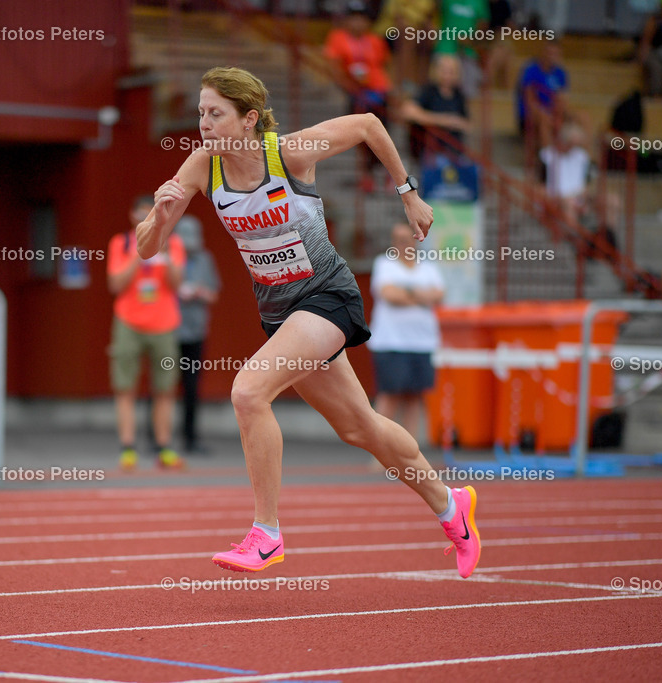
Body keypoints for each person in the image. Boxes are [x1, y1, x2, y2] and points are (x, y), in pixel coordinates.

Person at [138, 66, 481, 578]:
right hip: (281, 314)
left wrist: (407, 192)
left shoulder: (289, 152)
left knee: (248, 392)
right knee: (358, 426)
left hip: (328, 298)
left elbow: (367, 123)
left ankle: (266, 534)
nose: (204, 123)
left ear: (249, 118)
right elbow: (147, 250)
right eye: (201, 112)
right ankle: (451, 506)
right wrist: (160, 218)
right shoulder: (201, 167)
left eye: (216, 113)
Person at [108, 196, 186, 472]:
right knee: (125, 388)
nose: (145, 217)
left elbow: (176, 285)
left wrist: (162, 249)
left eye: (149, 213)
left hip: (164, 324)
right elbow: (115, 284)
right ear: (132, 215)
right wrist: (140, 251)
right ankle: (128, 449)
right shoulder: (122, 243)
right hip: (128, 323)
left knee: (164, 390)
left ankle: (164, 448)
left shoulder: (174, 243)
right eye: (140, 212)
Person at [368, 223, 444, 440]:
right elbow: (389, 295)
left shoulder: (428, 267)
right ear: (393, 242)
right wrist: (421, 294)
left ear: (415, 240)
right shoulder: (384, 264)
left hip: (422, 342)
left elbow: (438, 295)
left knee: (414, 398)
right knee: (389, 397)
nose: (403, 244)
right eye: (398, 239)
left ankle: (410, 453)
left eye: (407, 239)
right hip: (391, 342)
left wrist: (406, 293)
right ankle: (380, 451)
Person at [324, 0, 392, 190]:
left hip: (377, 92)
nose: (358, 23)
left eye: (362, 19)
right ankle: (368, 174)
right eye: (354, 18)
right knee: (362, 136)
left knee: (382, 133)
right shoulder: (337, 38)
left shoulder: (375, 41)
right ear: (347, 20)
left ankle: (384, 170)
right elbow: (334, 68)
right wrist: (350, 88)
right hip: (356, 93)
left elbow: (383, 67)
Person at [174, 215, 220, 455]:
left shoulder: (205, 259)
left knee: (192, 386)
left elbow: (213, 294)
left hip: (196, 330)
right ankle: (156, 439)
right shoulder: (168, 256)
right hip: (169, 329)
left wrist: (198, 291)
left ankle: (190, 438)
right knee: (163, 385)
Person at [400, 53, 471, 161]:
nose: (447, 75)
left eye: (451, 72)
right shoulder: (428, 91)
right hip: (430, 151)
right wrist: (443, 120)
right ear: (436, 71)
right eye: (444, 71)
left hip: (454, 151)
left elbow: (467, 123)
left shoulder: (459, 96)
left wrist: (457, 122)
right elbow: (407, 111)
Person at [433, 0, 490, 98]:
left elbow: (483, 26)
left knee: (469, 91)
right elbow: (434, 11)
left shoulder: (480, 2)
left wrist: (471, 39)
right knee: (440, 81)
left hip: (469, 51)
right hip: (445, 48)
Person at [539, 121, 591, 225]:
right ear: (562, 140)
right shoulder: (546, 156)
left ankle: (608, 237)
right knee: (569, 204)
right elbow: (540, 187)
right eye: (570, 143)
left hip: (577, 198)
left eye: (575, 145)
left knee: (613, 202)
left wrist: (583, 199)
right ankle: (575, 237)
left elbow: (587, 185)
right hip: (556, 199)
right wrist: (560, 199)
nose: (572, 148)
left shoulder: (582, 156)